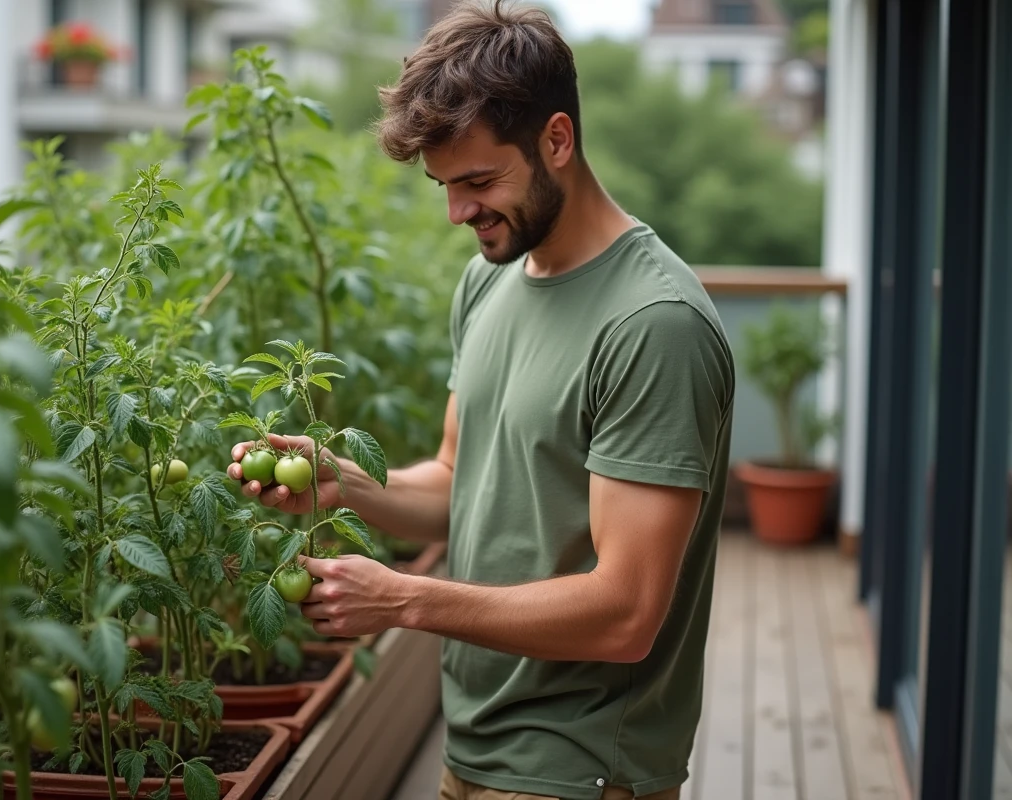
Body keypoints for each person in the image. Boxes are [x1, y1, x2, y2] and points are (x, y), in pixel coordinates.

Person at [226, 2, 735, 798]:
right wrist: (344, 483)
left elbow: (627, 613)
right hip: (474, 743)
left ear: (557, 140)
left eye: (477, 181)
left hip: (580, 770)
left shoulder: (653, 325)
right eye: (443, 185)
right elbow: (461, 482)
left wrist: (403, 599)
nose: (458, 212)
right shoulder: (488, 280)